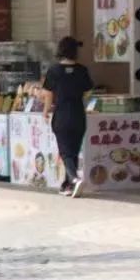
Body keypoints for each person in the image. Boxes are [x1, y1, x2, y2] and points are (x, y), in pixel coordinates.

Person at [42, 37, 92, 197]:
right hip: (78, 114)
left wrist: (46, 111)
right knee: (73, 151)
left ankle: (75, 179)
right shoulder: (82, 70)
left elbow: (48, 95)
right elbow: (88, 92)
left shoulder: (53, 71)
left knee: (65, 151)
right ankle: (68, 185)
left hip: (62, 114)